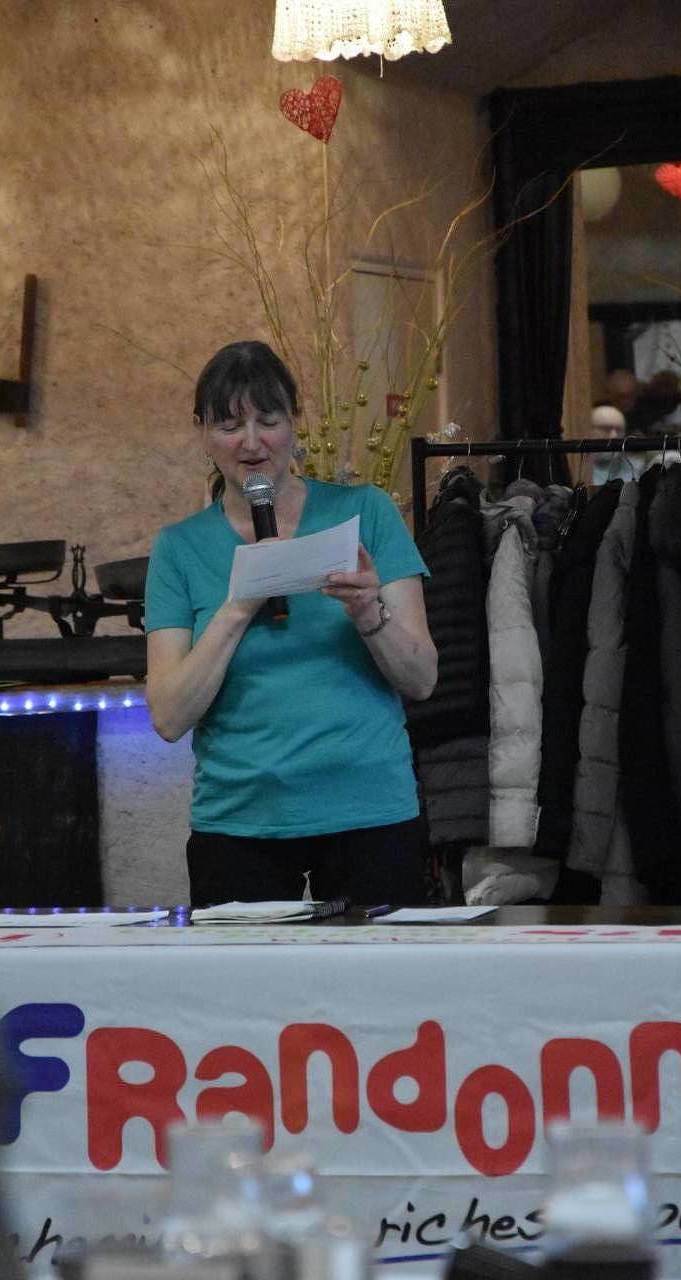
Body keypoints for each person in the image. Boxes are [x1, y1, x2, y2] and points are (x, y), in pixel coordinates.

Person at [145, 340, 438, 908]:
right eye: (230, 426)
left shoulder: (365, 512)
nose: (252, 443)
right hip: (239, 819)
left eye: (269, 421)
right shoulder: (179, 548)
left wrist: (367, 612)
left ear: (295, 422)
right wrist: (239, 604)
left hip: (369, 807)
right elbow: (169, 716)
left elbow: (422, 679)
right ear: (202, 433)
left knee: (379, 967)